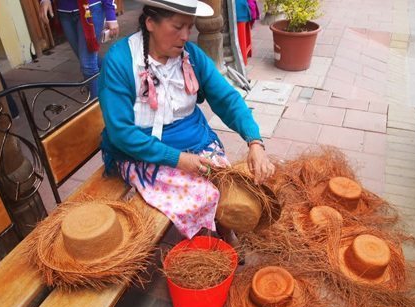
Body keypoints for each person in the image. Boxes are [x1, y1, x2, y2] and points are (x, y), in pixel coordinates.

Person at [98, 0, 275, 247]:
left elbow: (227, 99)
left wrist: (254, 141)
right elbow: (121, 133)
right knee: (202, 194)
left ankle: (220, 227)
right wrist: (179, 159)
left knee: (227, 181)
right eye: (177, 27)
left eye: (189, 27)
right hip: (141, 151)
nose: (185, 36)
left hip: (193, 139)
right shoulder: (121, 61)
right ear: (150, 23)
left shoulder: (191, 56)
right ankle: (205, 241)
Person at [39, 0, 119, 98]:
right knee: (88, 60)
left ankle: (98, 107)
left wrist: (110, 14)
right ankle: (117, 78)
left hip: (91, 8)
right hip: (64, 11)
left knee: (87, 65)